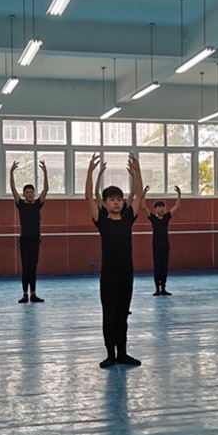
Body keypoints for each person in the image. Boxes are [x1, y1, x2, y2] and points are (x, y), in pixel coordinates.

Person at [85, 153, 143, 368]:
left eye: (119, 199)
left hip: (127, 275)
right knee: (109, 315)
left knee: (122, 316)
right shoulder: (101, 221)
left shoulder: (128, 219)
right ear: (105, 203)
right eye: (112, 199)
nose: (116, 202)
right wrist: (90, 172)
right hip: (109, 276)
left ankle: (123, 354)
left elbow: (139, 195)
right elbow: (88, 197)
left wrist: (138, 171)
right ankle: (110, 354)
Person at [10, 160, 49, 303]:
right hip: (25, 240)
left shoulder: (38, 204)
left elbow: (46, 189)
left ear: (34, 193)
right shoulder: (21, 205)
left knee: (33, 268)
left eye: (32, 192)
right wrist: (11, 172)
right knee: (26, 267)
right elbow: (13, 189)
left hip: (35, 240)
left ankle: (33, 294)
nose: (30, 194)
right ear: (24, 194)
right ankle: (25, 294)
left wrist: (45, 172)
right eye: (27, 192)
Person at [140, 185, 181, 296]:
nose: (162, 209)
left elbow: (177, 206)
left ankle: (163, 288)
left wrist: (179, 194)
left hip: (165, 246)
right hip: (156, 246)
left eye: (163, 207)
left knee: (164, 267)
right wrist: (144, 194)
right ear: (155, 209)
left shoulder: (167, 217)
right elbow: (143, 206)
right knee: (157, 267)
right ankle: (157, 288)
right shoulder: (153, 218)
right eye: (159, 207)